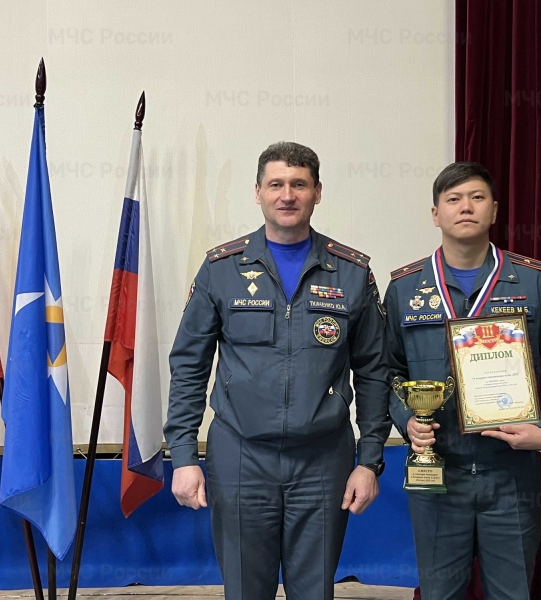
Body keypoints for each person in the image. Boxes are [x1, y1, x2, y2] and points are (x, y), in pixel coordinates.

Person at [164, 141, 390, 600]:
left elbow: (373, 371)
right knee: (247, 589)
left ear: (317, 192)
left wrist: (369, 461)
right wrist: (184, 456)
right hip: (241, 456)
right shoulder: (221, 269)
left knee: (314, 591)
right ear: (258, 192)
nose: (287, 195)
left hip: (323, 459)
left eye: (299, 184)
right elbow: (189, 365)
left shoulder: (351, 273)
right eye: (277, 184)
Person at [384, 162, 541, 599]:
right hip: (438, 474)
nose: (466, 208)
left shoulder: (532, 282)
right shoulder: (405, 289)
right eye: (454, 199)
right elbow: (385, 372)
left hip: (510, 475)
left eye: (477, 198)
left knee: (513, 593)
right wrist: (407, 420)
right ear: (435, 213)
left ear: (494, 210)